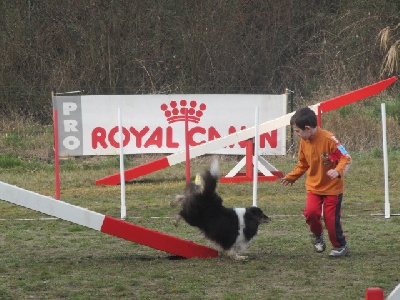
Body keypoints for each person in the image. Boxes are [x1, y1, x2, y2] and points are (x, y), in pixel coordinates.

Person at [281, 107, 351, 257]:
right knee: (311, 213)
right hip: (313, 187)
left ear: (307, 128)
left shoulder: (329, 140)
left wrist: (337, 171)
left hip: (333, 188)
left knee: (331, 219)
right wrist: (292, 177)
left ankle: (340, 246)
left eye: (297, 131)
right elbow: (303, 164)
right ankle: (318, 236)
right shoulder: (304, 142)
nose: (297, 135)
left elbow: (346, 157)